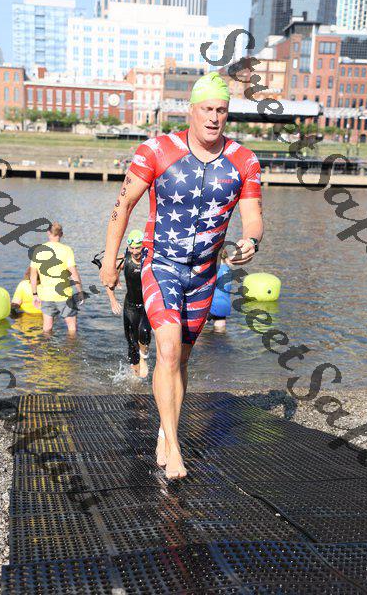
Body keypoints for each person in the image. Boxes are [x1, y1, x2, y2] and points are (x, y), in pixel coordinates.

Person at [100, 72, 263, 479]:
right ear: (191, 110)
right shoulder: (156, 150)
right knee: (168, 351)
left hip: (205, 273)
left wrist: (251, 242)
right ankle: (174, 447)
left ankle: (165, 426)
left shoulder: (244, 161)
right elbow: (123, 205)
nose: (213, 118)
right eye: (206, 109)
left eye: (221, 110)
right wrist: (109, 260)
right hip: (161, 265)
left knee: (182, 359)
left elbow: (254, 217)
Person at [105, 229, 152, 378]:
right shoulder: (124, 261)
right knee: (132, 343)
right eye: (131, 248)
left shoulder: (150, 260)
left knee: (144, 332)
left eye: (138, 248)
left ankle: (144, 359)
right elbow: (108, 280)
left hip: (146, 306)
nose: (134, 251)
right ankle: (136, 377)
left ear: (144, 246)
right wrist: (113, 300)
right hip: (130, 307)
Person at [30, 221, 84, 335]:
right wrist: (80, 291)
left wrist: (34, 294)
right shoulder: (66, 250)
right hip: (64, 295)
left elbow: (33, 275)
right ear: (61, 234)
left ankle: (45, 345)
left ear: (48, 233)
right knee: (72, 329)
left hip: (46, 295)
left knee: (47, 328)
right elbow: (74, 273)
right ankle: (72, 346)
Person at [206, 249, 233, 333]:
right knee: (220, 333)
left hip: (213, 305)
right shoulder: (228, 270)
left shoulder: (216, 270)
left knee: (196, 332)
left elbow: (207, 286)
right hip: (225, 305)